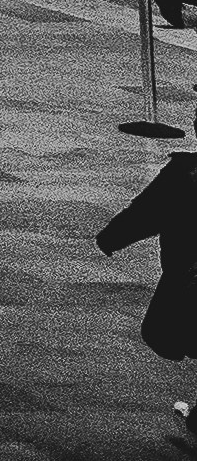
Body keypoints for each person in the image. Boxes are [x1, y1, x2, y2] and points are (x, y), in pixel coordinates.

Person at [94, 149, 197, 444]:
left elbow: (147, 211)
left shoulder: (186, 172)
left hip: (188, 278)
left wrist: (112, 236)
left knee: (173, 329)